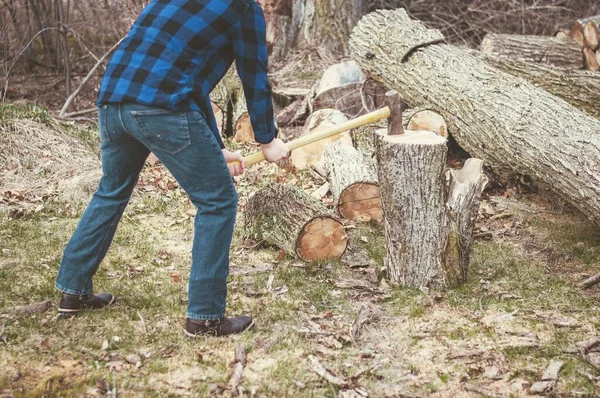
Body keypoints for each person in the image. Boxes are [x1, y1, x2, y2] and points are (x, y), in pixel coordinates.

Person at [54, 0, 289, 337]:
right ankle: (205, 317)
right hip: (160, 107)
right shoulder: (242, 7)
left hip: (113, 102)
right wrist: (267, 140)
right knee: (217, 201)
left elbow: (189, 81)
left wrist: (217, 147)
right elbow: (253, 75)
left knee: (111, 191)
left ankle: (72, 289)